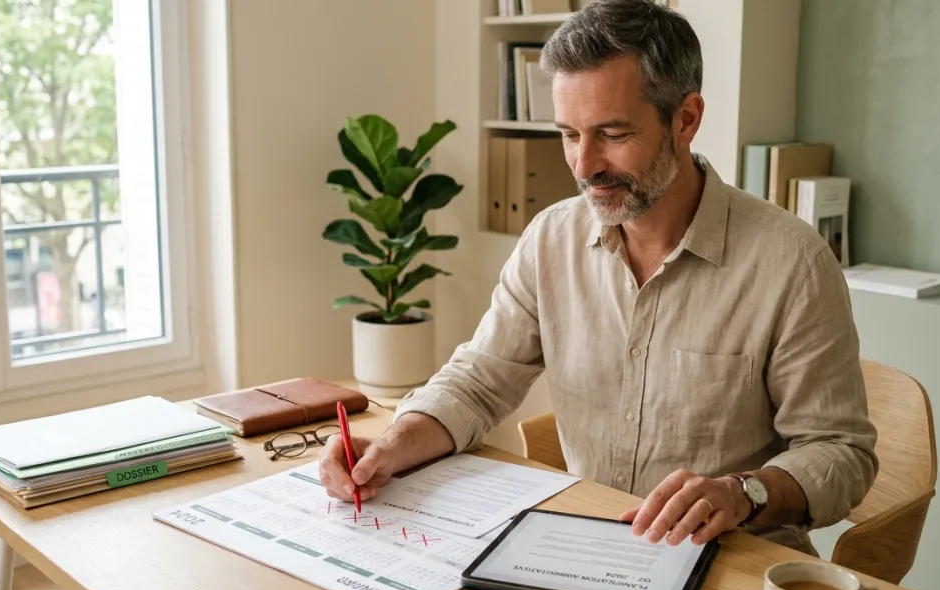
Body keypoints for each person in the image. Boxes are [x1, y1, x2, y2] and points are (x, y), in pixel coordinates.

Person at [319, 0, 877, 556]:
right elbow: (478, 381)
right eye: (568, 134)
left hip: (732, 561)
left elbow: (840, 453)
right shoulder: (550, 240)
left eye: (611, 133)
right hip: (584, 552)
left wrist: (742, 492)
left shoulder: (792, 262)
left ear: (685, 120)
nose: (584, 165)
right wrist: (390, 444)